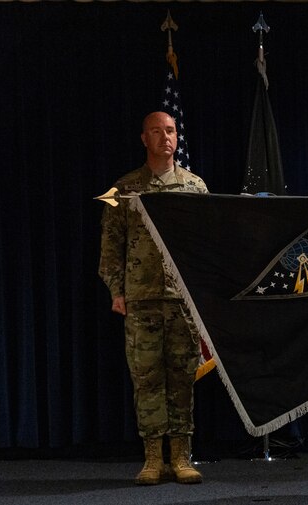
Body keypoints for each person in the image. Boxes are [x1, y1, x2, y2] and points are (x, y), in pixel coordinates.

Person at [99, 111, 209, 485]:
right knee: (146, 379)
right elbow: (110, 246)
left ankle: (180, 457)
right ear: (144, 138)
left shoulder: (195, 186)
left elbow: (207, 245)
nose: (166, 137)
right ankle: (152, 458)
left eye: (171, 130)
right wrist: (116, 290)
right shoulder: (123, 189)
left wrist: (204, 293)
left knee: (182, 379)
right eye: (157, 131)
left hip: (182, 300)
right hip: (141, 299)